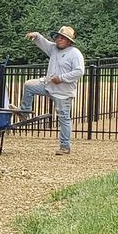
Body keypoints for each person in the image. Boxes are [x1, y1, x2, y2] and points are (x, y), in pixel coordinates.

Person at [23, 26, 84, 155]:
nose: (59, 40)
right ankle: (25, 112)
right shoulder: (54, 49)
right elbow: (44, 43)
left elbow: (79, 71)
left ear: (69, 41)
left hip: (63, 92)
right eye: (58, 37)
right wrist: (36, 35)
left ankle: (65, 146)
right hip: (49, 86)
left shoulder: (75, 53)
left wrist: (61, 78)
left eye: (63, 38)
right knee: (28, 85)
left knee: (63, 118)